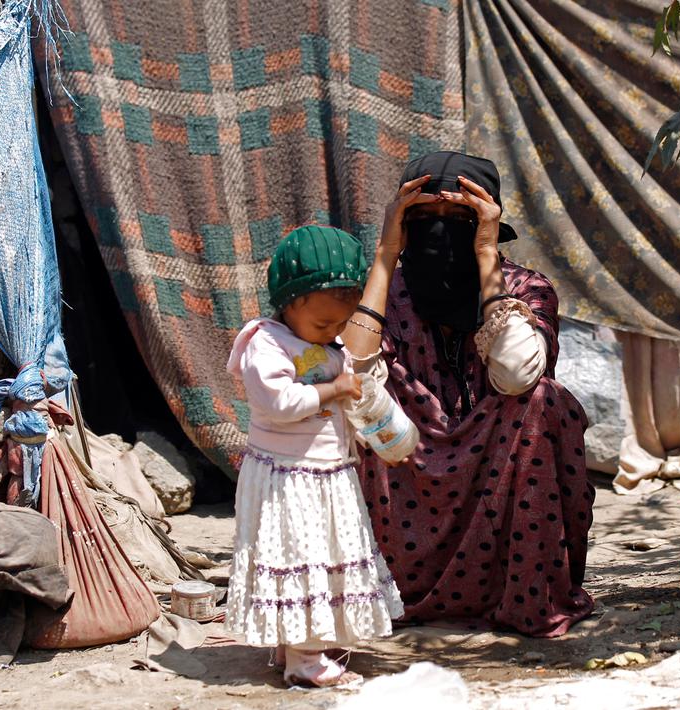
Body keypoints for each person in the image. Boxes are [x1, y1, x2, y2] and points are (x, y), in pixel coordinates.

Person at [341, 151, 595, 638]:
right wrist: (384, 255)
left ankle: (526, 595)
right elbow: (348, 373)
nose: (441, 232)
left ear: (487, 222)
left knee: (546, 401)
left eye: (459, 218)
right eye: (424, 219)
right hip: (407, 479)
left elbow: (518, 375)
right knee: (360, 398)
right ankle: (384, 589)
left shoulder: (525, 288)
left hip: (502, 489)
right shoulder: (383, 293)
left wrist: (484, 256)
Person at [225, 225, 403, 687]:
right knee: (303, 558)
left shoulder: (328, 346)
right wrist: (334, 387)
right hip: (288, 480)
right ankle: (305, 661)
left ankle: (296, 645)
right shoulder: (265, 344)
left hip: (326, 472)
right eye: (323, 324)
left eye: (340, 324)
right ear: (289, 302)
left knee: (318, 558)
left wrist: (375, 428)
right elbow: (280, 404)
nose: (332, 333)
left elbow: (349, 401)